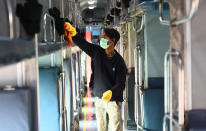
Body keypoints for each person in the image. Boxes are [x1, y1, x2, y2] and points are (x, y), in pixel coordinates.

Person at [65, 22, 127, 131]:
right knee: (101, 127)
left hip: (113, 101)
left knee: (115, 128)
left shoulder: (119, 62)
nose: (101, 40)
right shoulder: (97, 52)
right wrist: (74, 33)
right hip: (99, 98)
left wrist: (111, 92)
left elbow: (121, 84)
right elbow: (84, 45)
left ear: (112, 41)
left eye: (104, 37)